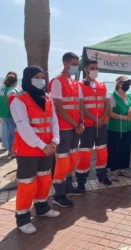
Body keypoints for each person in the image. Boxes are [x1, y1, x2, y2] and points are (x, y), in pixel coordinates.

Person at [10, 66, 60, 234]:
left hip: (47, 148)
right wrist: (42, 145)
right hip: (29, 151)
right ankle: (23, 218)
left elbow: (54, 121)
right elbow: (23, 127)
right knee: (26, 185)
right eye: (36, 77)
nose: (41, 80)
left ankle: (42, 207)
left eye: (42, 77)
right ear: (28, 79)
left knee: (45, 180)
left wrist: (55, 141)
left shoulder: (47, 97)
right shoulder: (18, 100)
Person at [49, 52, 85, 208]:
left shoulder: (75, 83)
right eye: (74, 64)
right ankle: (59, 194)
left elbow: (80, 105)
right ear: (65, 63)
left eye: (78, 64)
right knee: (62, 161)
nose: (76, 67)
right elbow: (59, 108)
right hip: (64, 128)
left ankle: (68, 187)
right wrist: (75, 124)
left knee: (71, 159)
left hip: (75, 128)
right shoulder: (57, 82)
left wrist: (82, 122)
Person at [75, 59, 112, 191]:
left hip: (101, 125)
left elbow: (107, 103)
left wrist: (102, 119)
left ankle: (102, 175)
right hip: (88, 126)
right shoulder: (79, 85)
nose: (95, 70)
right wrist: (95, 119)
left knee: (103, 152)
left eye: (97, 68)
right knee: (85, 154)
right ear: (86, 69)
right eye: (92, 68)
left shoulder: (102, 85)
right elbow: (81, 106)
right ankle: (81, 181)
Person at [107, 76, 131, 181]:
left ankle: (122, 170)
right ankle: (113, 172)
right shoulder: (112, 96)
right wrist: (124, 117)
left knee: (125, 149)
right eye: (126, 82)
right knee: (114, 150)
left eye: (129, 83)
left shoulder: (130, 96)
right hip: (115, 128)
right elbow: (110, 113)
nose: (128, 85)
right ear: (119, 83)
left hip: (127, 128)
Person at [0, 71, 18, 158]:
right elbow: (13, 103)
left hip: (4, 114)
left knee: (10, 134)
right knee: (14, 134)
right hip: (10, 115)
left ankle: (10, 151)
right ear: (14, 82)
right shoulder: (11, 91)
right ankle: (14, 151)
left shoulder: (3, 90)